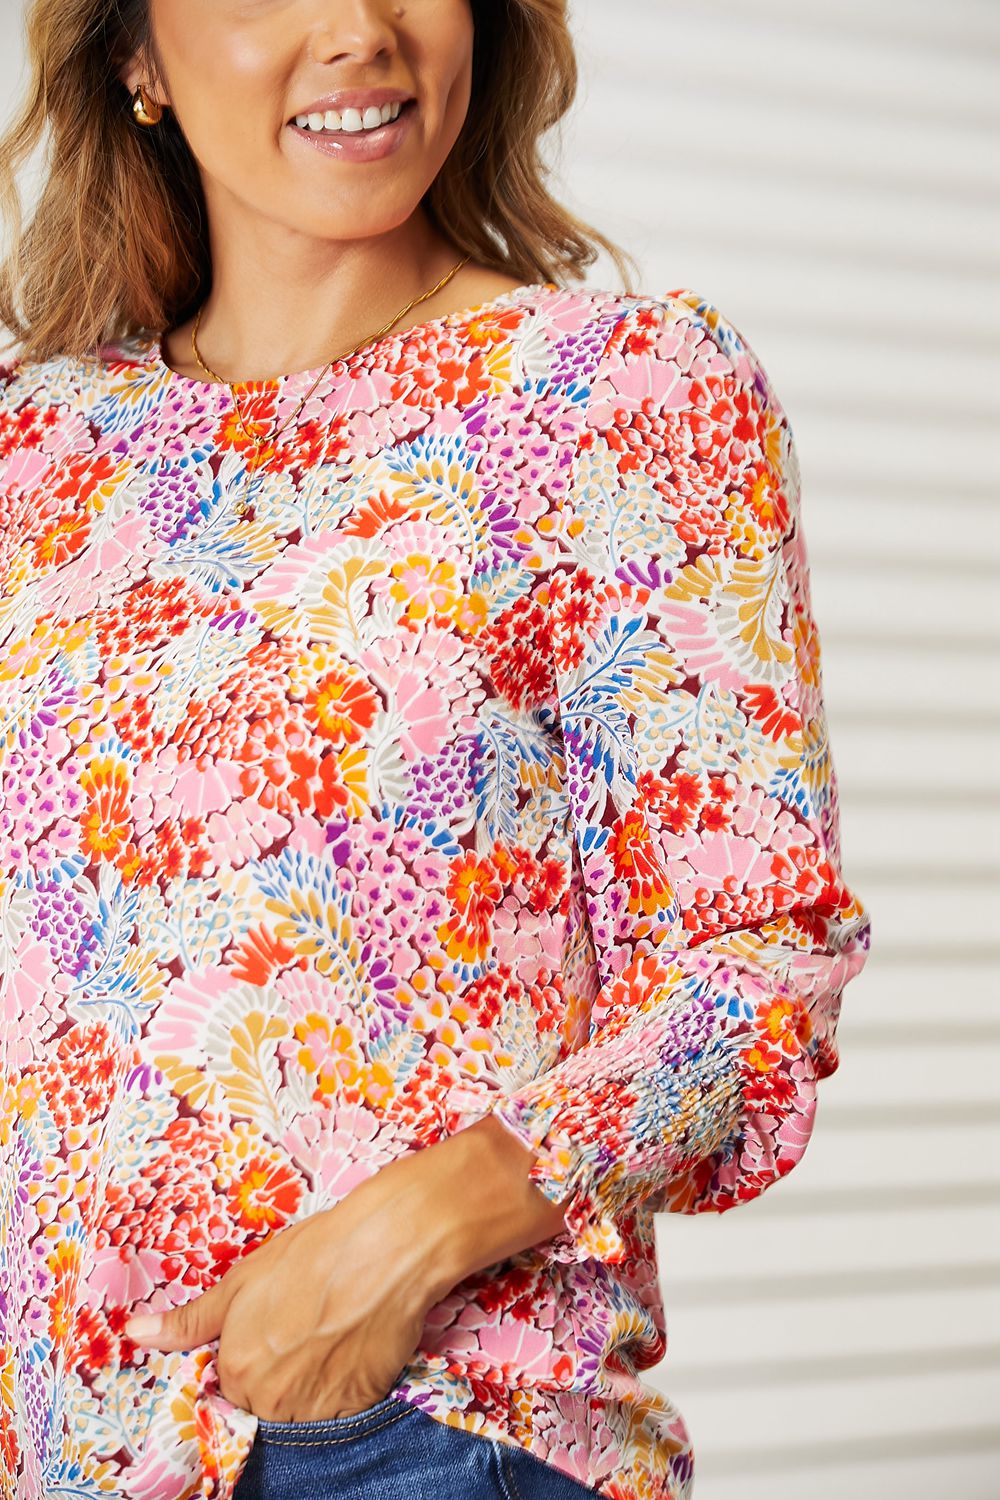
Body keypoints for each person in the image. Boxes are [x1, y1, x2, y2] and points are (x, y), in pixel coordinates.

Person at [0, 1, 872, 1498]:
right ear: (136, 55)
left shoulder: (616, 392)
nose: (360, 29)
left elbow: (756, 959)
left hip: (408, 1432)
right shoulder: (36, 459)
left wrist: (396, 1250)